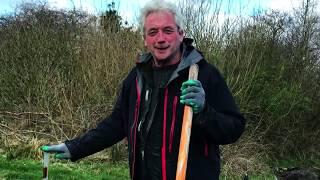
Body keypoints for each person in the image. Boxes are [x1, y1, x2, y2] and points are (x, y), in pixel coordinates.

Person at [41, 0, 246, 179]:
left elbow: (234, 128)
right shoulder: (137, 77)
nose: (161, 39)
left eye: (168, 30)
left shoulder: (204, 74)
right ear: (145, 38)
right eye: (153, 32)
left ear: (181, 34)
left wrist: (204, 112)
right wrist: (74, 147)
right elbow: (116, 124)